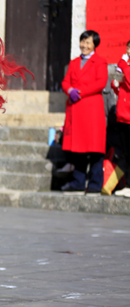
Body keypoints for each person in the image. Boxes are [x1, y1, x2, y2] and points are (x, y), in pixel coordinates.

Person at [61, 30, 109, 194]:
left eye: (88, 42)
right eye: (83, 42)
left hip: (92, 110)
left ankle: (95, 184)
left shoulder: (100, 62)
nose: (84, 45)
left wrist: (80, 92)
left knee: (95, 149)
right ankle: (78, 182)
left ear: (95, 45)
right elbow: (65, 82)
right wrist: (70, 90)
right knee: (78, 149)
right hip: (76, 109)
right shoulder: (74, 62)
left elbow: (101, 83)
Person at [112, 40, 130, 197]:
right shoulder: (126, 66)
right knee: (126, 153)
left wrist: (123, 65)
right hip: (123, 116)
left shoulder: (126, 65)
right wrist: (116, 85)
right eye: (129, 48)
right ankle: (128, 185)